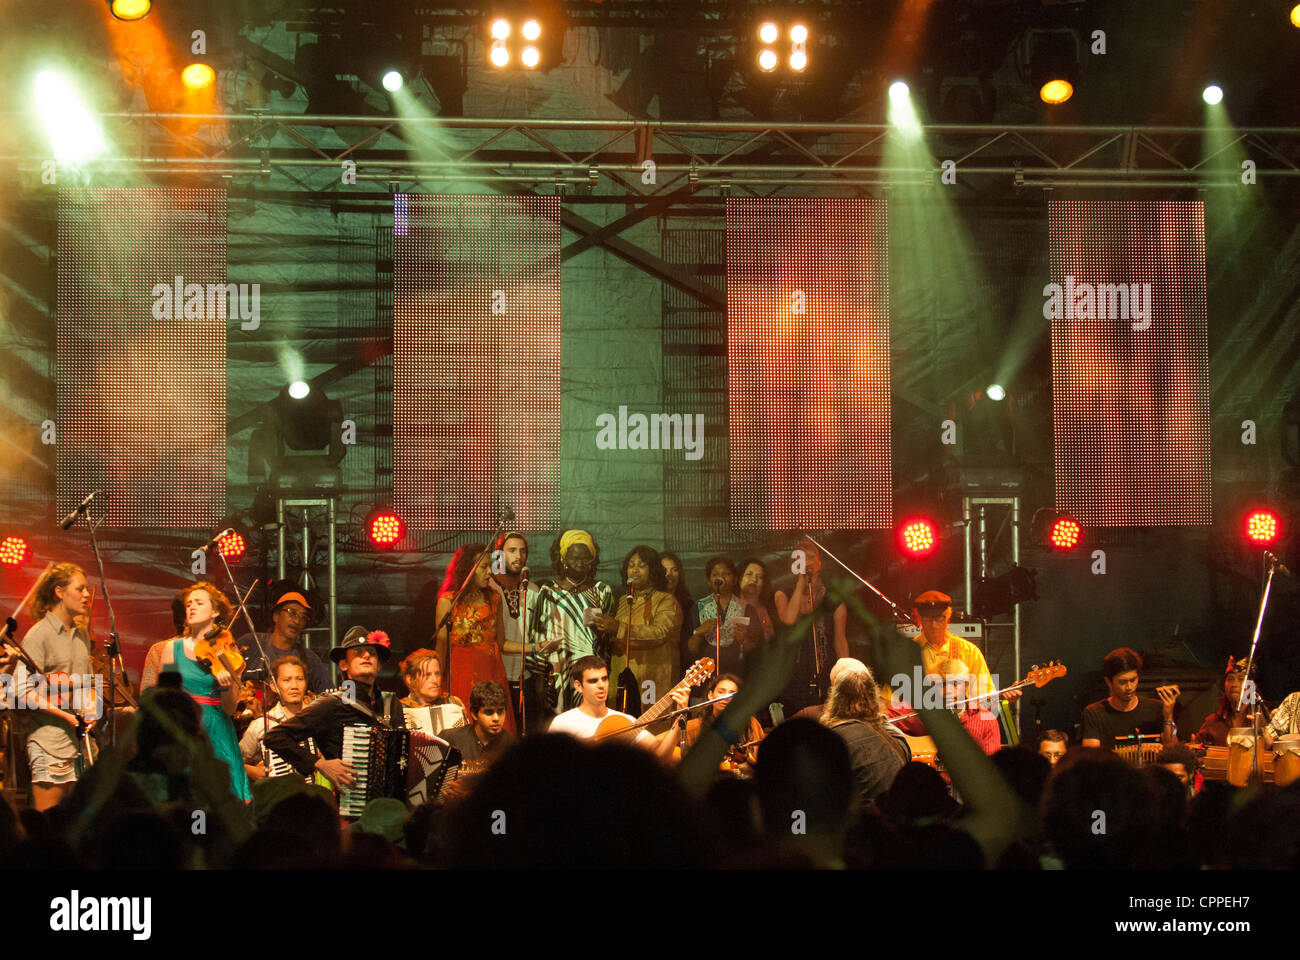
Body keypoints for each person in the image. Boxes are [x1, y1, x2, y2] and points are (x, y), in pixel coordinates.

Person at [139, 581, 252, 803]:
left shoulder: (228, 651)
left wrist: (227, 685)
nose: (191, 607)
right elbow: (166, 698)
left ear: (215, 611)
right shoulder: (173, 648)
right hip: (186, 726)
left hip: (217, 728)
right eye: (189, 603)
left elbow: (229, 709)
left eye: (199, 603)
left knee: (221, 804)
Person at [262, 627, 403, 794]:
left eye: (372, 653)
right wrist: (320, 764)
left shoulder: (391, 703)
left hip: (391, 800)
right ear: (344, 664)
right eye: (358, 652)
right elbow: (275, 737)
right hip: (352, 799)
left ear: (379, 665)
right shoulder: (332, 703)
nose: (366, 656)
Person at [16, 563, 95, 811]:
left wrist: (92, 707)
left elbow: (87, 683)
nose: (87, 595)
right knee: (48, 822)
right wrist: (67, 717)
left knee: (76, 824)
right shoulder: (38, 635)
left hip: (81, 745)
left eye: (87, 589)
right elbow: (21, 692)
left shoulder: (81, 636)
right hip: (49, 742)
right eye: (80, 588)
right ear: (59, 592)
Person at [434, 543, 515, 734]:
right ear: (468, 570)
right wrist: (437, 683)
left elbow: (502, 643)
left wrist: (537, 647)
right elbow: (441, 648)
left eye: (491, 566)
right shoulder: (448, 601)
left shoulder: (495, 598)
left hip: (491, 672)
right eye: (484, 567)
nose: (490, 572)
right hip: (461, 675)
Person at [536, 530, 614, 713]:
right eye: (574, 558)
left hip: (591, 669)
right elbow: (538, 634)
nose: (580, 563)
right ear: (563, 559)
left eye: (585, 558)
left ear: (592, 560)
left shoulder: (601, 590)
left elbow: (609, 635)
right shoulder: (548, 592)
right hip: (557, 671)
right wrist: (541, 676)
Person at [595, 545, 680, 713]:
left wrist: (618, 627)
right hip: (621, 674)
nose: (634, 570)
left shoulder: (666, 600)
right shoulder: (622, 600)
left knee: (651, 730)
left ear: (653, 570)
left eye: (641, 565)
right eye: (631, 565)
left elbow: (660, 632)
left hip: (651, 676)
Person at [547, 656, 683, 760]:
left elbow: (660, 756)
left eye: (604, 679)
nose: (601, 685)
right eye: (593, 681)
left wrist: (681, 715)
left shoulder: (624, 720)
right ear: (578, 686)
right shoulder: (563, 722)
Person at [818, 659, 909, 811]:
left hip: (863, 829)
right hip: (898, 827)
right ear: (873, 694)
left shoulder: (832, 742)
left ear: (835, 696)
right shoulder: (897, 737)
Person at [774, 541, 847, 713]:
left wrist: (845, 674)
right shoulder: (782, 593)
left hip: (826, 670)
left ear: (819, 563)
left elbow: (840, 640)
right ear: (793, 565)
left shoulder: (833, 598)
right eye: (801, 558)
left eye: (811, 557)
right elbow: (789, 619)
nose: (807, 561)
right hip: (794, 673)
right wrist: (801, 581)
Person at [489, 532, 543, 731]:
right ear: (499, 555)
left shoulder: (534, 591)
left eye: (522, 551)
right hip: (495, 676)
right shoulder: (489, 588)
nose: (518, 556)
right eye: (511, 550)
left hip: (525, 678)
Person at [235, 585, 332, 694]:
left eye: (303, 617)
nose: (297, 621)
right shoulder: (251, 642)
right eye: (292, 612)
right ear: (276, 616)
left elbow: (328, 695)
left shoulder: (310, 659)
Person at [1080, 647, 1180, 750]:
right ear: (1109, 682)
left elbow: (1172, 750)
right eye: (1122, 682)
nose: (1129, 687)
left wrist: (1168, 716)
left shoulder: (1156, 708)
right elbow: (1091, 758)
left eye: (1133, 680)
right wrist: (1137, 750)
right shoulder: (1094, 713)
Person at [239, 656, 314, 782]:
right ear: (274, 686)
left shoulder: (318, 717)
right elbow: (233, 761)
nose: (294, 685)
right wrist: (250, 771)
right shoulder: (261, 725)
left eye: (299, 679)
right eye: (287, 680)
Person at [681, 673, 765, 773]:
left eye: (732, 694)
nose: (726, 697)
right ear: (710, 695)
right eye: (721, 692)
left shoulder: (750, 723)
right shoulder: (694, 726)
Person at [442, 680, 516, 789]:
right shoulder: (451, 739)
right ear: (474, 714)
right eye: (489, 712)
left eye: (500, 711)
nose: (496, 718)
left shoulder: (512, 745)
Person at [690, 557, 748, 678]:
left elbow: (755, 649)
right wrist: (699, 631)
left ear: (735, 579)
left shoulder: (746, 607)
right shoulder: (699, 607)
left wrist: (744, 640)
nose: (720, 578)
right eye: (715, 574)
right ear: (709, 581)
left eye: (726, 574)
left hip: (736, 672)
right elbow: (691, 650)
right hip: (705, 674)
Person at [398, 649, 467, 727]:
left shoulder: (453, 702)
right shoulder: (400, 708)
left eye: (437, 674)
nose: (434, 680)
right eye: (427, 675)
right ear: (410, 679)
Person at [1195, 656, 1253, 746]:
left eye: (1241, 679)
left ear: (1252, 686)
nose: (1234, 684)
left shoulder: (1263, 720)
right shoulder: (1212, 723)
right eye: (1230, 679)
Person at [660, 552, 698, 683]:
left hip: (681, 665)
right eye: (664, 570)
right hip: (656, 664)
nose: (669, 574)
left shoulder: (688, 605)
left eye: (674, 569)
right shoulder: (650, 602)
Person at [737, 557, 778, 647]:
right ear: (740, 579)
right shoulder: (731, 607)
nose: (754, 580)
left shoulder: (769, 609)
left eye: (759, 577)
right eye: (749, 574)